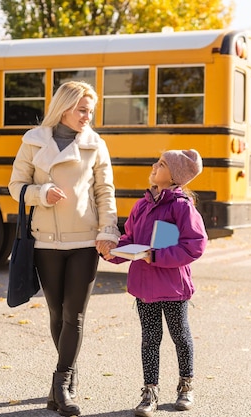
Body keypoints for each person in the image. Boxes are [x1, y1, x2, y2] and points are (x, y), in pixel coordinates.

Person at [8, 81, 120, 417]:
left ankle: (61, 383)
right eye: (83, 109)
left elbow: (105, 192)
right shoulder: (33, 141)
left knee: (76, 314)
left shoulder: (95, 144)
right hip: (44, 241)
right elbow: (15, 186)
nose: (88, 116)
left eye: (91, 111)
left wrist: (108, 229)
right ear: (65, 108)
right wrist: (41, 194)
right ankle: (66, 382)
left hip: (85, 241)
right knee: (57, 313)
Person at [104, 149, 207, 416]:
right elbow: (130, 239)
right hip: (144, 288)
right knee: (150, 340)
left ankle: (186, 385)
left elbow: (194, 246)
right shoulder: (142, 205)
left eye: (161, 164)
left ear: (174, 176)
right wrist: (112, 252)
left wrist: (157, 255)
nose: (154, 166)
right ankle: (150, 391)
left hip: (173, 288)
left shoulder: (182, 206)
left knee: (180, 337)